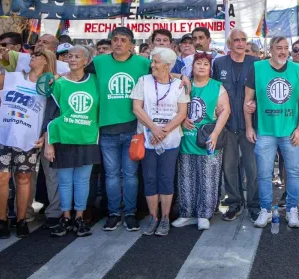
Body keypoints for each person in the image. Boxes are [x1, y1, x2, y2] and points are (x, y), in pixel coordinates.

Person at [0, 46, 56, 239]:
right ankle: (2, 220)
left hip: (28, 139)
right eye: (32, 53)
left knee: (23, 179)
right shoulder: (13, 77)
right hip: (1, 135)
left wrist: (46, 134)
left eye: (38, 55)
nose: (32, 56)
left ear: (46, 60)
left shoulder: (51, 84)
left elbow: (53, 112)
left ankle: (21, 220)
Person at [88, 26, 152, 232]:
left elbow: (162, 73)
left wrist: (183, 77)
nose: (118, 43)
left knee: (131, 175)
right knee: (112, 175)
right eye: (115, 39)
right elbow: (79, 76)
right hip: (106, 129)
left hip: (133, 130)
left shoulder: (143, 63)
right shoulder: (99, 62)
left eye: (124, 40)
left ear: (131, 45)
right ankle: (114, 213)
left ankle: (131, 213)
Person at [244, 36, 299, 229]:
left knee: (294, 172)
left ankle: (291, 210)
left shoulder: (298, 69)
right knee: (263, 174)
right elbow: (247, 102)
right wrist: (249, 127)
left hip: (290, 132)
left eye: (286, 48)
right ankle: (265, 209)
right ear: (270, 49)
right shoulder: (257, 68)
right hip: (265, 131)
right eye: (278, 47)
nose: (283, 51)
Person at [44, 45, 101, 238]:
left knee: (82, 181)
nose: (73, 59)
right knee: (65, 181)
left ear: (86, 60)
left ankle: (79, 217)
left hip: (88, 138)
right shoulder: (59, 84)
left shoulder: (95, 80)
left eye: (78, 56)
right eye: (70, 56)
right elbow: (50, 115)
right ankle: (66, 217)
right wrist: (48, 142)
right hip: (63, 138)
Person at [131, 47, 189, 236]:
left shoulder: (179, 84)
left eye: (156, 62)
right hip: (148, 137)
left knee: (166, 178)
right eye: (152, 61)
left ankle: (165, 217)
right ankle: (153, 217)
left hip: (170, 139)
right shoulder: (143, 81)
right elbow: (137, 108)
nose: (152, 65)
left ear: (167, 65)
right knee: (149, 178)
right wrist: (154, 129)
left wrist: (164, 131)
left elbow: (182, 113)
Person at [175, 52, 229, 230]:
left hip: (208, 138)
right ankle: (186, 213)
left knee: (208, 178)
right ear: (193, 66)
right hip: (187, 138)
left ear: (210, 68)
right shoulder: (185, 84)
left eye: (206, 64)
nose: (202, 66)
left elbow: (225, 111)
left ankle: (204, 214)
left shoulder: (217, 87)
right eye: (198, 63)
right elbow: (165, 75)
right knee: (186, 177)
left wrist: (215, 134)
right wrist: (181, 119)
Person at [212, 28, 260, 222]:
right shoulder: (219, 63)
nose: (240, 43)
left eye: (243, 39)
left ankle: (255, 205)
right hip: (228, 124)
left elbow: (263, 91)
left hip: (251, 124)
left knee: (253, 167)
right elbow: (213, 89)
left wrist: (257, 102)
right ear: (229, 44)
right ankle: (234, 203)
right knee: (229, 167)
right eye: (236, 40)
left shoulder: (256, 64)